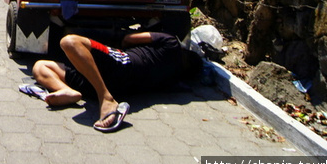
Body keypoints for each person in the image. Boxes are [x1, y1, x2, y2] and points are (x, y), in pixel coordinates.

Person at [30, 31, 201, 133]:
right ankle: (69, 92)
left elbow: (128, 39)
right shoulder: (172, 80)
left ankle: (106, 99)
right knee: (40, 67)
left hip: (121, 63)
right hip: (115, 85)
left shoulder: (171, 43)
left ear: (185, 52)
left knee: (69, 42)